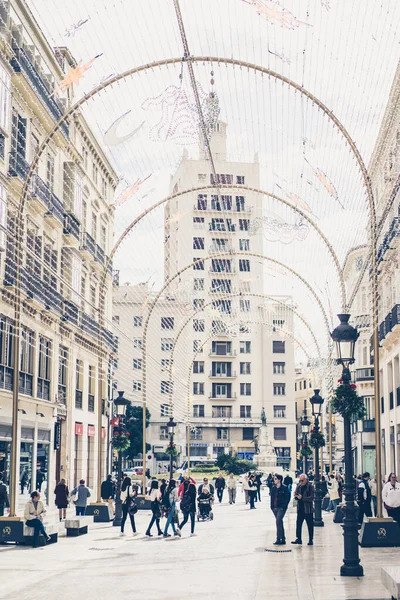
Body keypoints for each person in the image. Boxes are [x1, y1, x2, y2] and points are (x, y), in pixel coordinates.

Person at [292, 474, 314, 546]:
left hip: (308, 509)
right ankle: (298, 538)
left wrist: (302, 498)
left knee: (310, 525)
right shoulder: (299, 486)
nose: (301, 482)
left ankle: (310, 539)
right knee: (298, 524)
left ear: (306, 479)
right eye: (300, 480)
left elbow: (311, 497)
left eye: (302, 480)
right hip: (300, 508)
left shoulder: (310, 486)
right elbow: (296, 494)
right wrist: (296, 496)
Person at [270, 474, 290, 545]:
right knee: (279, 523)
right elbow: (272, 497)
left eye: (275, 479)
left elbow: (287, 498)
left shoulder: (284, 487)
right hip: (274, 507)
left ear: (279, 480)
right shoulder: (273, 488)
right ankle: (283, 538)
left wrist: (284, 506)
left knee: (278, 521)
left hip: (281, 508)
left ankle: (278, 538)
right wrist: (271, 506)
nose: (274, 480)